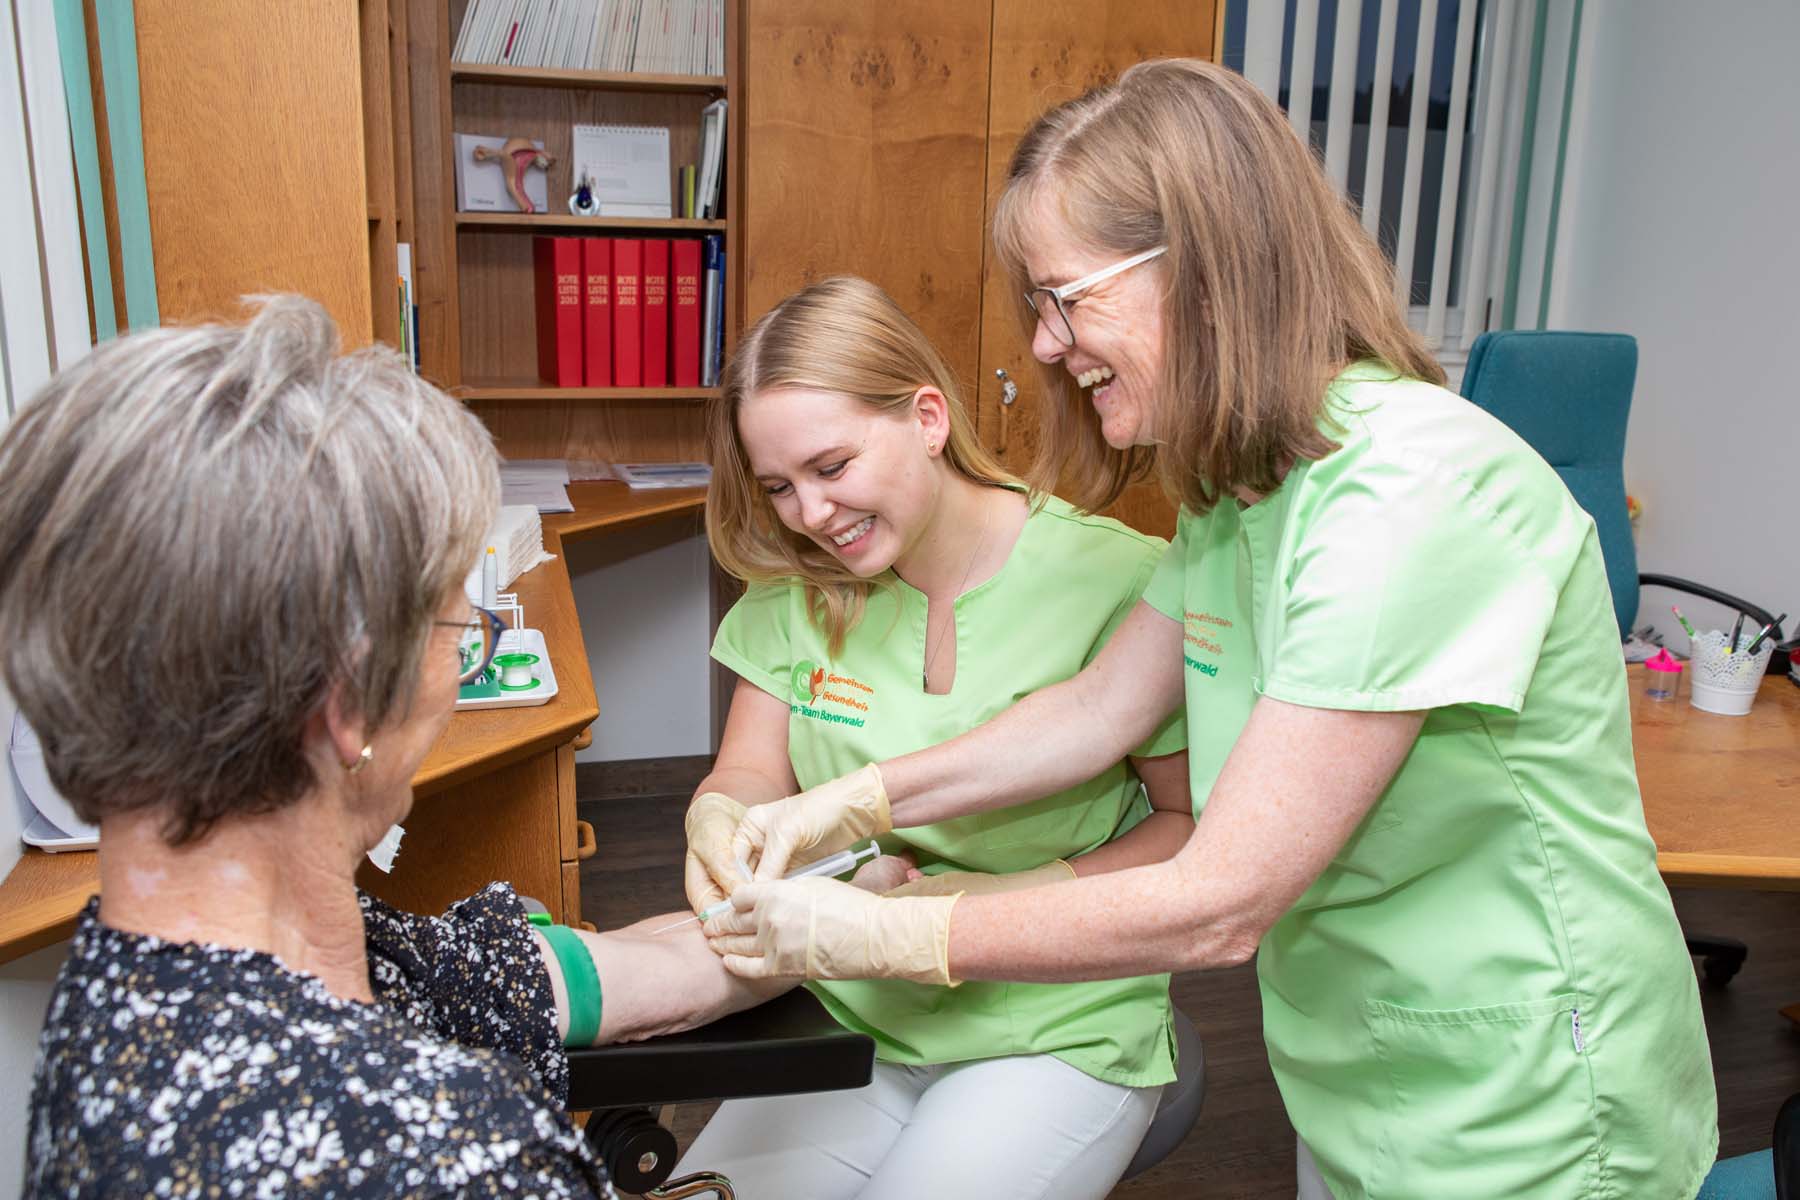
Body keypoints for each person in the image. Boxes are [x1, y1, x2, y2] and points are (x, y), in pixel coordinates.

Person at [691, 60, 1718, 1199]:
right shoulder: (1238, 497)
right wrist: (849, 803)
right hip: (1361, 1057)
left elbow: (1221, 898)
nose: (1045, 345)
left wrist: (887, 934)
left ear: (1202, 266)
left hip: (1531, 1084)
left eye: (1064, 298)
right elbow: (1093, 713)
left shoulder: (1406, 491)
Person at [0, 296, 801, 1199]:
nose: (463, 670)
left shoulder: (129, 988)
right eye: (461, 633)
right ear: (348, 702)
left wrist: (838, 910)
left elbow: (552, 977)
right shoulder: (447, 1158)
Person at [673, 276, 1194, 1199]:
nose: (811, 515)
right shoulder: (798, 586)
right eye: (780, 487)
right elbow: (751, 768)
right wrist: (722, 817)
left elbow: (1186, 829)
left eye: (832, 467)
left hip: (1053, 1018)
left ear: (926, 418)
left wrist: (1004, 898)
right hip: (849, 999)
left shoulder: (1118, 578)